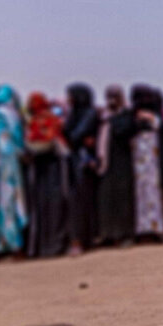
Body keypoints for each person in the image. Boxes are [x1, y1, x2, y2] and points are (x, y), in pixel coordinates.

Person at [24, 92, 69, 258]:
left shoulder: (48, 120)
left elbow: (49, 141)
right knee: (44, 207)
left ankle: (54, 245)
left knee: (53, 205)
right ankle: (46, 247)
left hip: (53, 167)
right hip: (41, 168)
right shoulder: (36, 121)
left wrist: (32, 147)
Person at [0, 85, 28, 256]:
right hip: (14, 163)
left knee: (4, 204)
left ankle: (7, 243)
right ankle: (16, 243)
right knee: (16, 200)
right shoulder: (14, 115)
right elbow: (19, 141)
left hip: (3, 164)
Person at [63, 83, 100, 255]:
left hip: (84, 164)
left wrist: (73, 138)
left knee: (83, 202)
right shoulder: (74, 114)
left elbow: (75, 135)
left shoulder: (90, 113)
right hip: (74, 161)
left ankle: (85, 239)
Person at [97, 85, 136, 246]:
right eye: (109, 96)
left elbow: (123, 130)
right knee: (107, 200)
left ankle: (126, 234)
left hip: (122, 164)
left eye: (115, 96)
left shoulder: (127, 115)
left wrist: (112, 120)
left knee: (123, 199)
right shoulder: (103, 117)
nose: (112, 100)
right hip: (106, 165)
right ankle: (109, 234)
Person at [130, 85, 163, 241]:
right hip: (138, 162)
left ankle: (156, 229)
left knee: (153, 194)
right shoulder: (132, 115)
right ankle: (141, 231)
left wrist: (150, 118)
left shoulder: (156, 116)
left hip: (153, 162)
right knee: (139, 196)